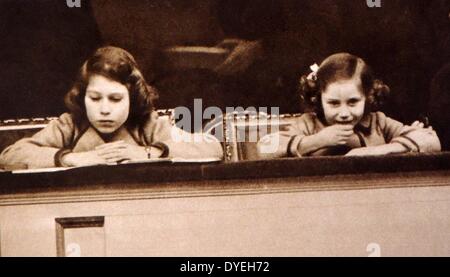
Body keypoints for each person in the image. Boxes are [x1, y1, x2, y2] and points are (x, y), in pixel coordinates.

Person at [0, 46, 223, 169]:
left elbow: (212, 148)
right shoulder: (70, 125)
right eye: (95, 98)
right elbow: (10, 155)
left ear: (132, 98)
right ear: (82, 96)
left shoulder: (147, 124)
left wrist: (148, 152)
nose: (104, 109)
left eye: (115, 99)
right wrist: (70, 158)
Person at [257, 53, 441, 158]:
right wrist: (318, 140)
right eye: (334, 103)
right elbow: (264, 148)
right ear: (318, 98)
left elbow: (431, 141)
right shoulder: (308, 124)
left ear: (367, 97)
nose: (344, 113)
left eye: (353, 102)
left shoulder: (379, 123)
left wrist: (375, 151)